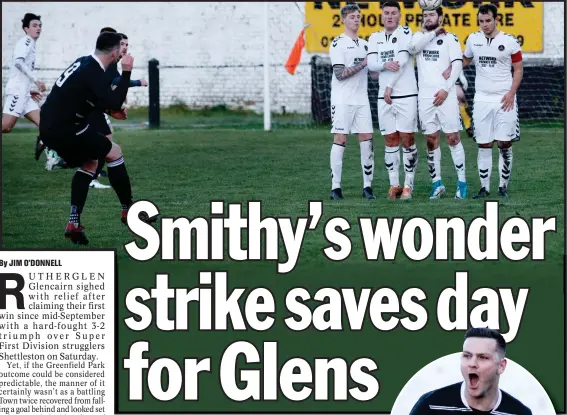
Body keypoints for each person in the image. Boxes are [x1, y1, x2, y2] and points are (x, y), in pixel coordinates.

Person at [38, 32, 155, 245]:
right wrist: (127, 72)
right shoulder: (93, 72)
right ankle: (129, 211)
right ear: (113, 52)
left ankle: (74, 222)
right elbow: (116, 99)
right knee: (114, 151)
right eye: (121, 48)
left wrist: (111, 111)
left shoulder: (84, 63)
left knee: (91, 162)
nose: (123, 52)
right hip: (67, 128)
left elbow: (90, 98)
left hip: (50, 126)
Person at [462, 4, 524, 198]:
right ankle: (484, 188)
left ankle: (503, 187)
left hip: (504, 98)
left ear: (496, 19)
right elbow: (464, 61)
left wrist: (512, 93)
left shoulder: (510, 41)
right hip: (481, 99)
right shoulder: (473, 39)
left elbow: (518, 69)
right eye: (481, 21)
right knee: (484, 143)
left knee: (504, 143)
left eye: (488, 20)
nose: (485, 25)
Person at [408, 7, 468, 200]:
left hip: (446, 95)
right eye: (425, 15)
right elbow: (412, 49)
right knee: (431, 140)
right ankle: (437, 184)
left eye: (432, 15)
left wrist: (446, 89)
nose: (428, 18)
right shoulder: (419, 37)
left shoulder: (450, 38)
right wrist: (433, 32)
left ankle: (462, 184)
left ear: (440, 17)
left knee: (452, 138)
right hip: (424, 97)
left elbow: (457, 64)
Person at [409, 328, 532, 414]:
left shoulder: (520, 412)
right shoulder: (430, 405)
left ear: (501, 366)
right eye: (467, 356)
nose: (472, 364)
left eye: (483, 357)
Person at [367, 0, 418, 200]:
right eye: (386, 13)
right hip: (384, 97)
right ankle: (394, 185)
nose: (389, 16)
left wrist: (389, 85)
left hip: (405, 93)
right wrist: (385, 64)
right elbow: (371, 64)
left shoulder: (406, 33)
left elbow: (403, 61)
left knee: (407, 138)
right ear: (382, 15)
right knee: (390, 139)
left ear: (399, 15)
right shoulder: (374, 37)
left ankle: (408, 185)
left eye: (393, 13)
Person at [1, 13, 63, 170]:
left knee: (46, 125)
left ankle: (52, 159)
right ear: (26, 29)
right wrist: (35, 80)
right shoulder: (26, 41)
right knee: (6, 127)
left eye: (40, 26)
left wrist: (30, 89)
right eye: (34, 26)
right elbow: (18, 63)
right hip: (17, 92)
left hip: (24, 93)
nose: (38, 28)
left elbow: (21, 71)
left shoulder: (31, 44)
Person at [88, 28, 148, 190]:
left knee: (103, 139)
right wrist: (137, 82)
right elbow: (114, 81)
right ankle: (90, 177)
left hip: (96, 106)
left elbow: (112, 84)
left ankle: (90, 172)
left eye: (127, 44)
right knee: (105, 140)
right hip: (90, 107)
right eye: (121, 44)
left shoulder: (112, 61)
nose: (125, 47)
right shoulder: (109, 61)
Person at [329, 3, 378, 201]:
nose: (356, 19)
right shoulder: (338, 43)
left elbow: (373, 74)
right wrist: (364, 63)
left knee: (367, 140)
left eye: (358, 16)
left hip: (362, 100)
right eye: (352, 17)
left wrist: (383, 63)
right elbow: (340, 74)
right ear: (343, 20)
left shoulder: (366, 45)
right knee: (340, 139)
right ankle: (336, 188)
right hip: (342, 100)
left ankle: (367, 187)